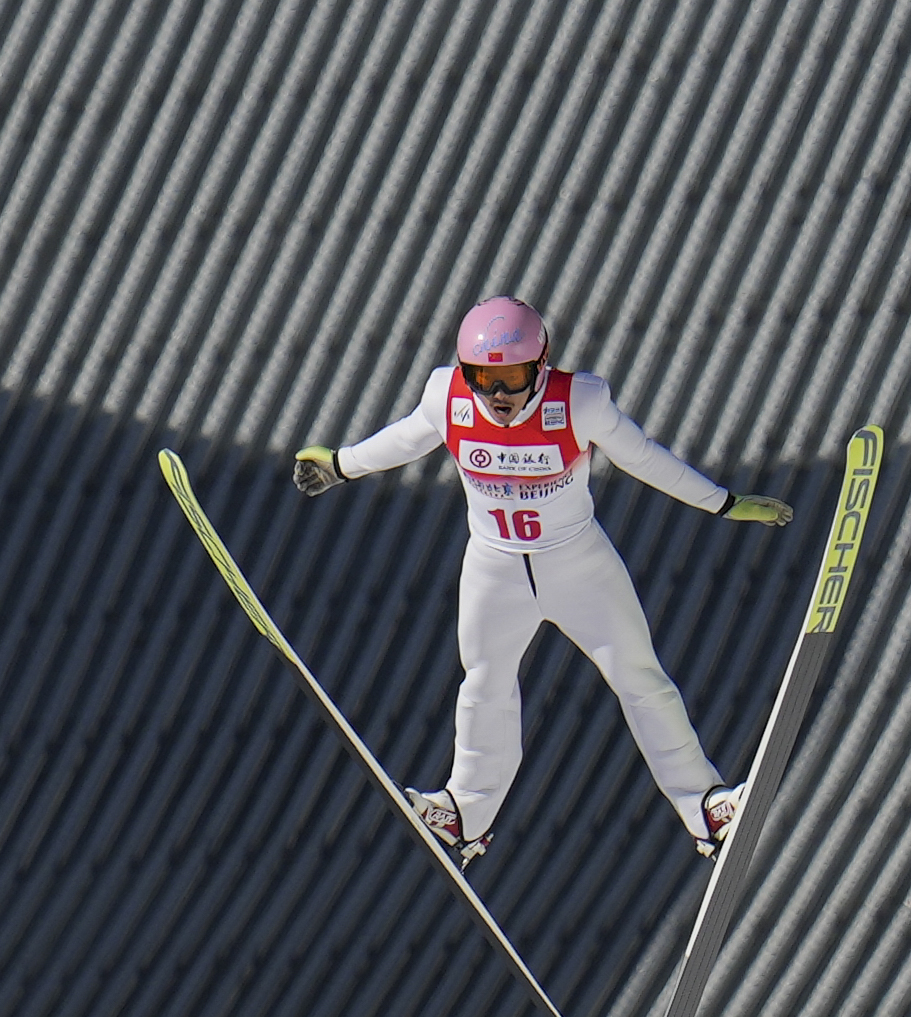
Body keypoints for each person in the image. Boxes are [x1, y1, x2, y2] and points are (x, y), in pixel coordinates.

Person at [293, 296, 792, 866]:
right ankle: (464, 815)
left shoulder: (578, 401)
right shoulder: (448, 397)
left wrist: (724, 504)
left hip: (576, 562)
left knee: (639, 676)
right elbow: (405, 438)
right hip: (494, 566)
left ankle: (704, 806)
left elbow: (647, 459)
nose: (499, 395)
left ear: (542, 366)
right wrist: (341, 464)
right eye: (485, 377)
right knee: (484, 684)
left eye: (512, 377)